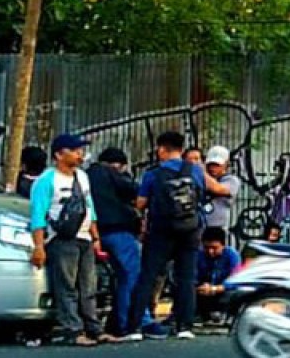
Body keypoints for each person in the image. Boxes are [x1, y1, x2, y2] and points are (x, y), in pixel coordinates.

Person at [124, 131, 225, 342]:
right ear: (181, 149)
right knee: (186, 278)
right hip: (190, 230)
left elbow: (141, 203)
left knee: (148, 276)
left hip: (161, 230)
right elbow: (213, 189)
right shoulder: (195, 171)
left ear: (162, 149)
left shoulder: (153, 174)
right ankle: (184, 326)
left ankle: (134, 327)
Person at [28, 134, 113, 346]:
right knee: (67, 286)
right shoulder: (46, 181)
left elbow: (89, 206)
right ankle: (72, 330)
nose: (79, 154)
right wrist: (39, 246)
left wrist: (95, 237)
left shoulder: (82, 177)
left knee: (88, 286)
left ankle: (93, 327)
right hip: (62, 239)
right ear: (58, 154)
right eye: (74, 150)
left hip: (84, 237)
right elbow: (38, 215)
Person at [86, 147, 151, 337]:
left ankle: (108, 323)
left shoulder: (84, 175)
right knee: (130, 276)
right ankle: (131, 322)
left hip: (93, 232)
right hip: (118, 230)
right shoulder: (111, 173)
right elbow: (133, 191)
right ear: (119, 165)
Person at [194, 227, 240, 325]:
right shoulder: (199, 255)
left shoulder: (232, 255)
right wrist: (200, 287)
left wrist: (216, 289)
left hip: (223, 291)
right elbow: (193, 276)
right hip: (203, 291)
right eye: (207, 248)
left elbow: (237, 279)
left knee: (235, 293)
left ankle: (226, 314)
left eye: (214, 248)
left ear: (223, 245)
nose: (210, 251)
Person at [203, 146, 240, 239]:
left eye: (217, 165)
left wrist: (199, 171)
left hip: (218, 229)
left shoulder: (231, 180)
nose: (212, 168)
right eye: (210, 165)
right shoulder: (202, 177)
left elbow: (218, 189)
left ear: (226, 165)